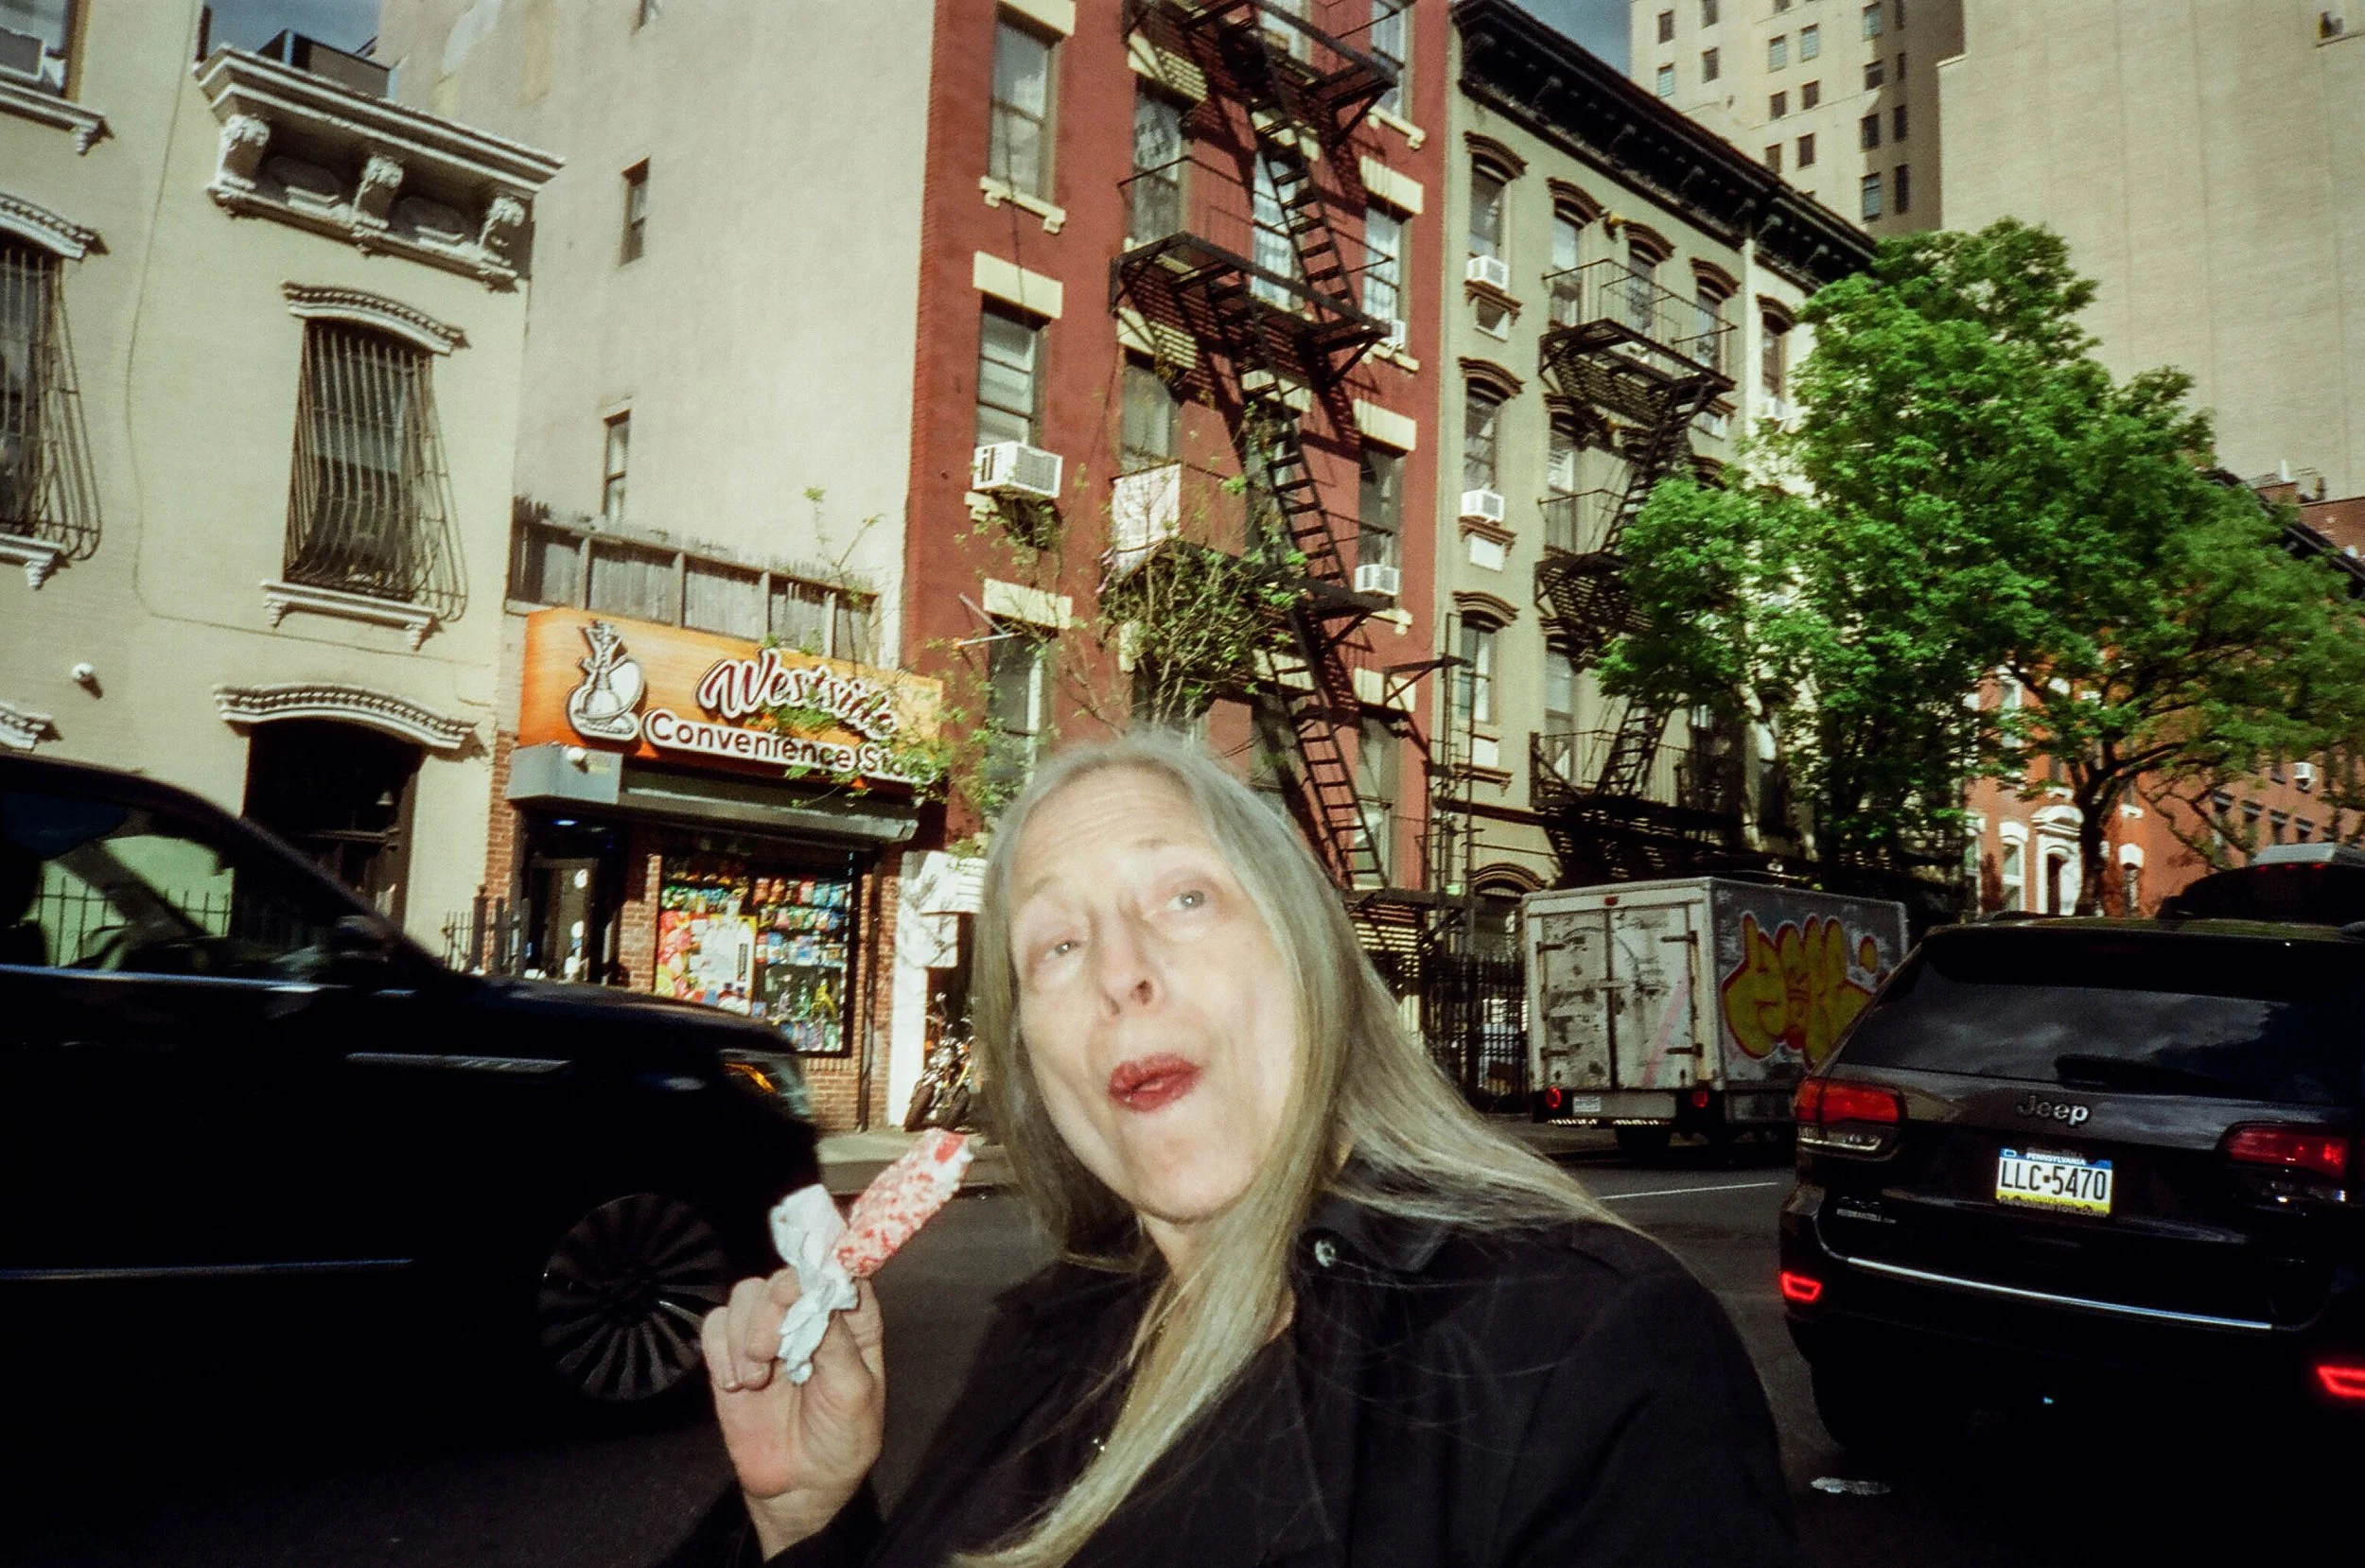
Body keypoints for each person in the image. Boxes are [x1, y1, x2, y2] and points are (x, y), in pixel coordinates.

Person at [656, 733, 1804, 1568]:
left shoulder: (1594, 1353)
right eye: (1054, 944)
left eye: (1185, 896)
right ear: (1032, 1058)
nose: (1118, 972)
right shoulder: (1050, 1334)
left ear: (1306, 947)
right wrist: (805, 1515)